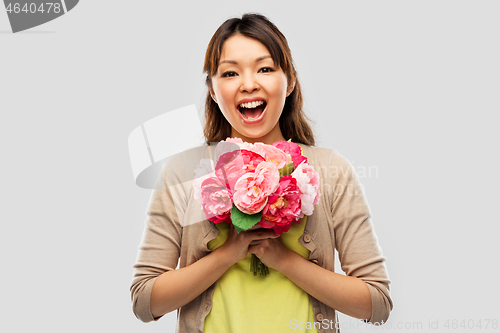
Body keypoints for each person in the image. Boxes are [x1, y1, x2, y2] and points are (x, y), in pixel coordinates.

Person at [130, 13, 393, 333]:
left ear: (290, 80)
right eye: (229, 72)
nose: (249, 83)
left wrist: (283, 259)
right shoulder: (183, 172)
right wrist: (229, 253)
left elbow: (377, 304)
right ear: (212, 90)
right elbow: (145, 302)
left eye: (265, 68)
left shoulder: (331, 170)